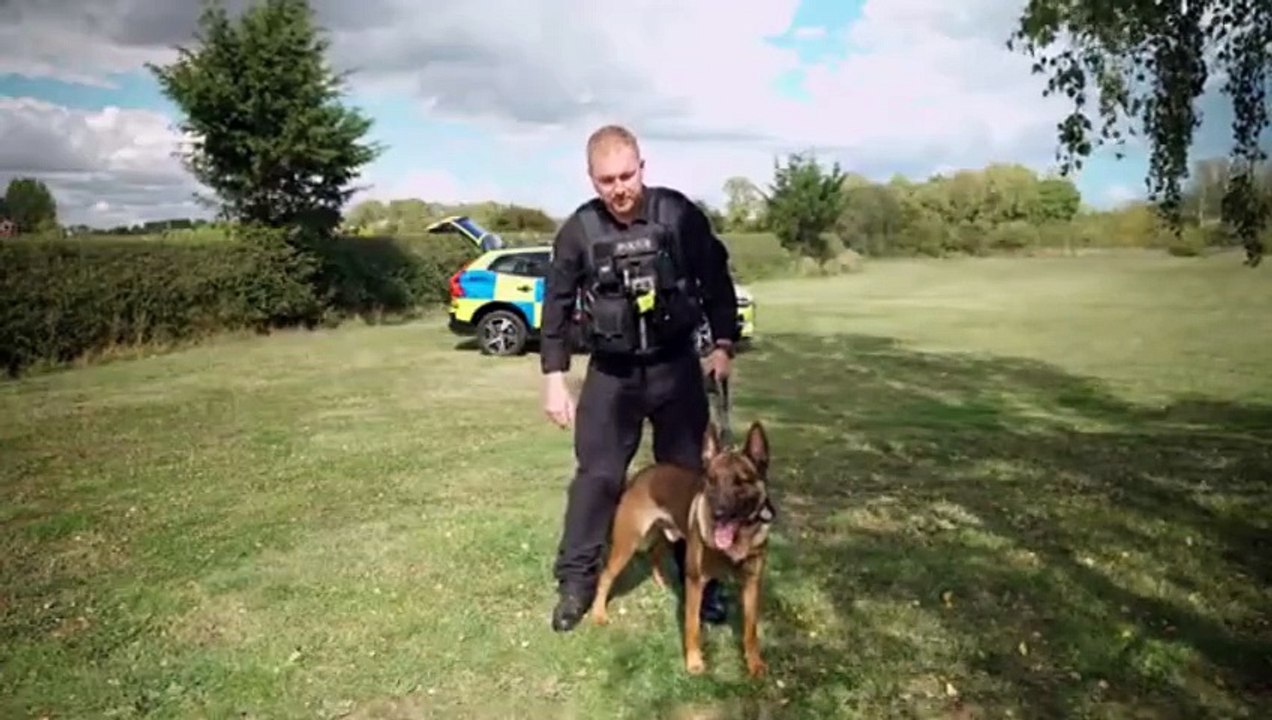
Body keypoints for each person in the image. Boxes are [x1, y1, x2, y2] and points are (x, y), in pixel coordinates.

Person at [539, 124, 741, 633]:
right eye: (607, 180)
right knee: (597, 478)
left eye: (627, 175)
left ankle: (703, 579)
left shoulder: (677, 214)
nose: (620, 188)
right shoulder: (578, 232)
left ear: (642, 168)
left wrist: (722, 343)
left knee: (692, 478)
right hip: (612, 375)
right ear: (592, 179)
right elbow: (557, 306)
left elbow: (715, 276)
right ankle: (576, 583)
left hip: (675, 368)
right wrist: (553, 377)